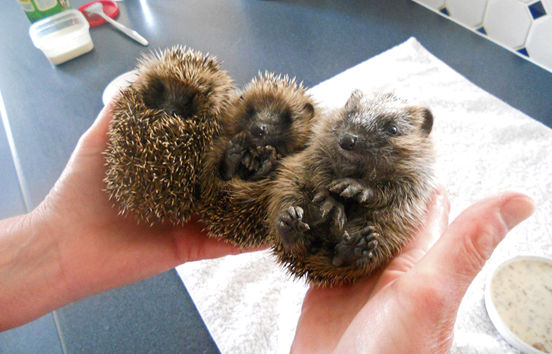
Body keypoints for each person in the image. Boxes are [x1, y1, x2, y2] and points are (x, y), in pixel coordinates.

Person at [0, 105, 535, 353]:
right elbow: (303, 172)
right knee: (294, 191)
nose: (353, 135)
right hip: (303, 217)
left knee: (379, 229)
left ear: (420, 134)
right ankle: (299, 231)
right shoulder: (322, 146)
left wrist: (368, 200)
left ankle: (347, 248)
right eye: (351, 118)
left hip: (359, 241)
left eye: (389, 129)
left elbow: (397, 208)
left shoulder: (410, 179)